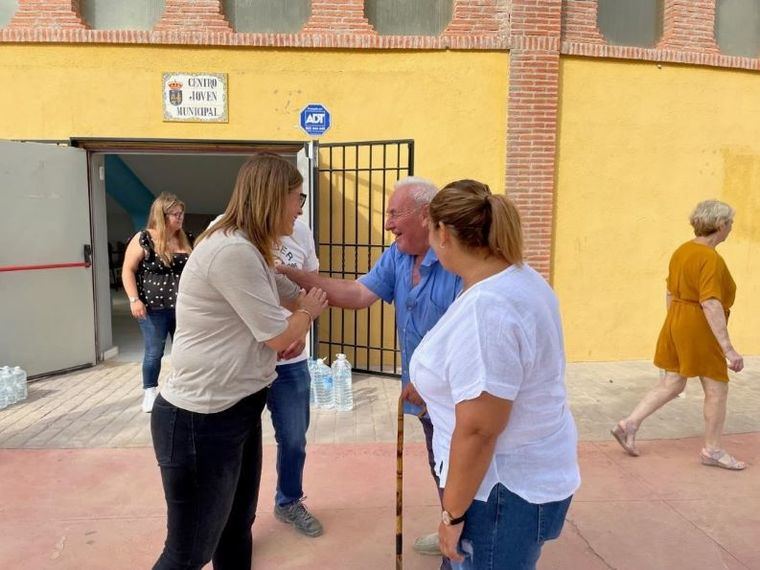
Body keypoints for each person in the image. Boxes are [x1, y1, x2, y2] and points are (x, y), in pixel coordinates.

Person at [150, 154, 328, 569]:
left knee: (235, 527)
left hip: (237, 410)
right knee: (189, 551)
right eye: (297, 198)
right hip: (199, 421)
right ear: (272, 197)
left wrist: (332, 294)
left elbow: (287, 292)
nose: (300, 209)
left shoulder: (250, 246)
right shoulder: (232, 250)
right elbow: (282, 333)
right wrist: (308, 315)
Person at [276, 176, 461, 565]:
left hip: (459, 396)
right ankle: (453, 527)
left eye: (395, 214)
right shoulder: (396, 255)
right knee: (440, 464)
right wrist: (291, 276)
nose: (388, 223)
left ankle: (461, 544)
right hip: (424, 397)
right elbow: (358, 294)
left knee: (466, 469)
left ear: (426, 215)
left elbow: (467, 336)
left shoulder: (457, 259)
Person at [410, 179, 580, 569]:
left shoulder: (488, 307)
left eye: (430, 231)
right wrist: (436, 388)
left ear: (445, 233)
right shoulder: (516, 278)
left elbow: (480, 430)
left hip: (500, 492)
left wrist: (450, 515)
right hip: (519, 480)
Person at [209, 206, 325, 538]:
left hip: (290, 360)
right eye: (294, 196)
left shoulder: (300, 231)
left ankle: (288, 501)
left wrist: (299, 333)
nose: (301, 207)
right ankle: (231, 521)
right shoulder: (227, 232)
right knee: (237, 445)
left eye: (304, 196)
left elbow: (308, 292)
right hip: (244, 362)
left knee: (293, 438)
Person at [612, 199, 745, 470]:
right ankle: (713, 450)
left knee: (673, 381)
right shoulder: (709, 258)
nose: (731, 227)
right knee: (717, 388)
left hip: (677, 319)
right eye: (730, 222)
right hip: (698, 325)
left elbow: (670, 291)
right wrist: (728, 348)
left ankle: (629, 424)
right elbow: (710, 302)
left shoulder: (682, 250)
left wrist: (674, 325)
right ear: (720, 225)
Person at [121, 192, 193, 413]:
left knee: (186, 350)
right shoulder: (144, 238)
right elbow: (128, 270)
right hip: (153, 308)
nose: (180, 218)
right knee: (154, 351)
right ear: (162, 215)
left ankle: (183, 389)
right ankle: (150, 392)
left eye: (182, 214)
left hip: (183, 306)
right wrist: (134, 299)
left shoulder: (186, 238)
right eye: (175, 214)